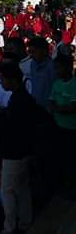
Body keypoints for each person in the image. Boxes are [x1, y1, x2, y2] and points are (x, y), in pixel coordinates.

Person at [0, 63, 36, 233]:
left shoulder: (19, 100)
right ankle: (25, 221)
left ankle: (9, 227)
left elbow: (12, 127)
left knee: (8, 191)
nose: (1, 82)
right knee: (22, 188)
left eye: (2, 79)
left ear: (11, 79)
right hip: (24, 150)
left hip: (14, 152)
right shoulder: (22, 97)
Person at [49, 54, 76, 188]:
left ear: (68, 68)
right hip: (58, 127)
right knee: (62, 157)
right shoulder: (56, 84)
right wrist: (60, 108)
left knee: (71, 158)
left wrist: (59, 108)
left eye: (59, 68)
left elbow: (72, 107)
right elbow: (51, 102)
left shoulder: (74, 84)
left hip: (72, 129)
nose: (56, 71)